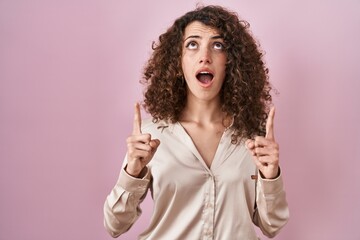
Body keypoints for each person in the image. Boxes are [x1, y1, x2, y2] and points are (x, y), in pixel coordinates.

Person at [104, 5, 289, 240]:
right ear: (178, 62)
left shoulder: (254, 138)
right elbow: (115, 225)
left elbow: (272, 226)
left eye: (218, 45)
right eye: (192, 44)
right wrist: (132, 172)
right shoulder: (150, 136)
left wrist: (271, 176)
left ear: (230, 62)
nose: (205, 56)